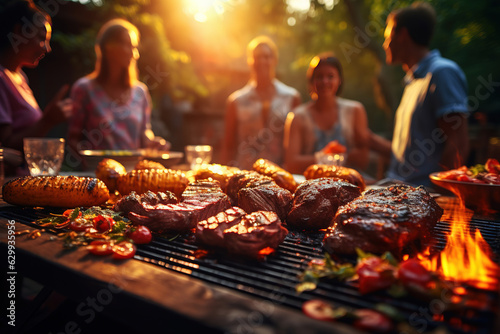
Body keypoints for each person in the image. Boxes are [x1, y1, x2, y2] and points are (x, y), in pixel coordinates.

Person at [377, 2, 469, 186]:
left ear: (402, 35)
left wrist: (439, 199)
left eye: (387, 37)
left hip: (422, 198)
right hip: (397, 190)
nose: (385, 44)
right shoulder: (413, 81)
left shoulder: (441, 73)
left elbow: (457, 143)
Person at [68, 19, 170, 155]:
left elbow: (145, 132)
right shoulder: (84, 89)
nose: (134, 54)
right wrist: (89, 160)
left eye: (134, 47)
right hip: (96, 173)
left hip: (133, 173)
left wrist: (153, 143)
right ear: (108, 48)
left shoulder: (140, 92)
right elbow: (73, 138)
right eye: (127, 45)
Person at [0, 0, 72, 152]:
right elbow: (5, 148)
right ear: (19, 31)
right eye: (41, 38)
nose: (48, 48)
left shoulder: (20, 77)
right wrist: (48, 121)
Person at [221, 35, 301, 170]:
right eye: (256, 57)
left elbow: (297, 145)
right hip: (245, 175)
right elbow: (228, 146)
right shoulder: (236, 101)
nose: (262, 61)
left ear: (274, 60)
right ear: (250, 61)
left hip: (280, 175)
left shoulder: (291, 98)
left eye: (266, 56)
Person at [283, 52, 371, 174]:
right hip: (313, 185)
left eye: (330, 76)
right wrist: (326, 156)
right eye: (319, 77)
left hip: (351, 183)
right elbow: (292, 164)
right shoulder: (297, 117)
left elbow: (363, 159)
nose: (325, 82)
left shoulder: (355, 110)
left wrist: (327, 158)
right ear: (311, 81)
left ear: (339, 80)